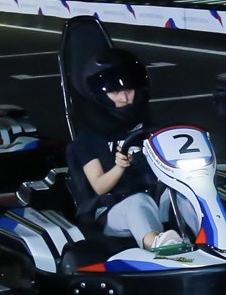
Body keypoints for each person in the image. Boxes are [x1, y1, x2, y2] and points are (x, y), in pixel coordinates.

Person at [66, 50, 186, 251]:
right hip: (111, 210)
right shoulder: (87, 139)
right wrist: (119, 167)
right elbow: (99, 186)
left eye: (129, 90)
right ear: (99, 95)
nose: (124, 98)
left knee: (184, 194)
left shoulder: (149, 128)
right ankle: (159, 245)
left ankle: (221, 233)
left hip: (154, 198)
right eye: (115, 92)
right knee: (139, 202)